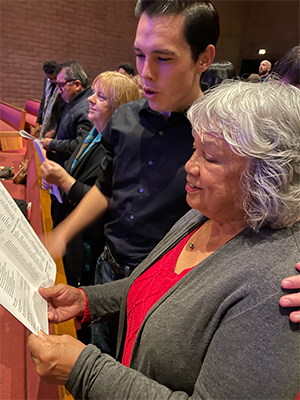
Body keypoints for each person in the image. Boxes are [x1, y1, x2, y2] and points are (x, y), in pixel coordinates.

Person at [28, 80, 300, 399]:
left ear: (266, 175)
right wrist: (87, 300)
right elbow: (153, 286)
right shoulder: (206, 212)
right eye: (194, 148)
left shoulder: (276, 287)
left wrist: (84, 370)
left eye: (210, 157)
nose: (189, 166)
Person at [44, 0, 218, 355]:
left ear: (204, 58)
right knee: (100, 353)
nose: (145, 73)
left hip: (168, 284)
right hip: (109, 267)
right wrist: (62, 233)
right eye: (139, 55)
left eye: (163, 58)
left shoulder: (219, 133)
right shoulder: (124, 119)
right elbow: (106, 188)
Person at [40, 71, 140, 289]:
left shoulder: (119, 149)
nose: (90, 99)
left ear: (119, 108)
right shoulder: (94, 133)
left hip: (89, 243)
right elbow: (74, 168)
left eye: (100, 97)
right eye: (93, 93)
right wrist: (56, 179)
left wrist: (64, 180)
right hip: (69, 225)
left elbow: (105, 202)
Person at [40, 61, 93, 166]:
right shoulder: (74, 99)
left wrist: (53, 144)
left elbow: (81, 145)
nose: (59, 91)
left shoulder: (86, 109)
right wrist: (54, 131)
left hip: (70, 169)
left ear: (77, 84)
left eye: (61, 85)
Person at [34, 60, 64, 139]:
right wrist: (38, 122)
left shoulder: (64, 84)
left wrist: (55, 130)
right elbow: (43, 100)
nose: (52, 81)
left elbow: (66, 110)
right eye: (50, 79)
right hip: (47, 121)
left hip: (58, 124)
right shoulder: (47, 81)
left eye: (54, 78)